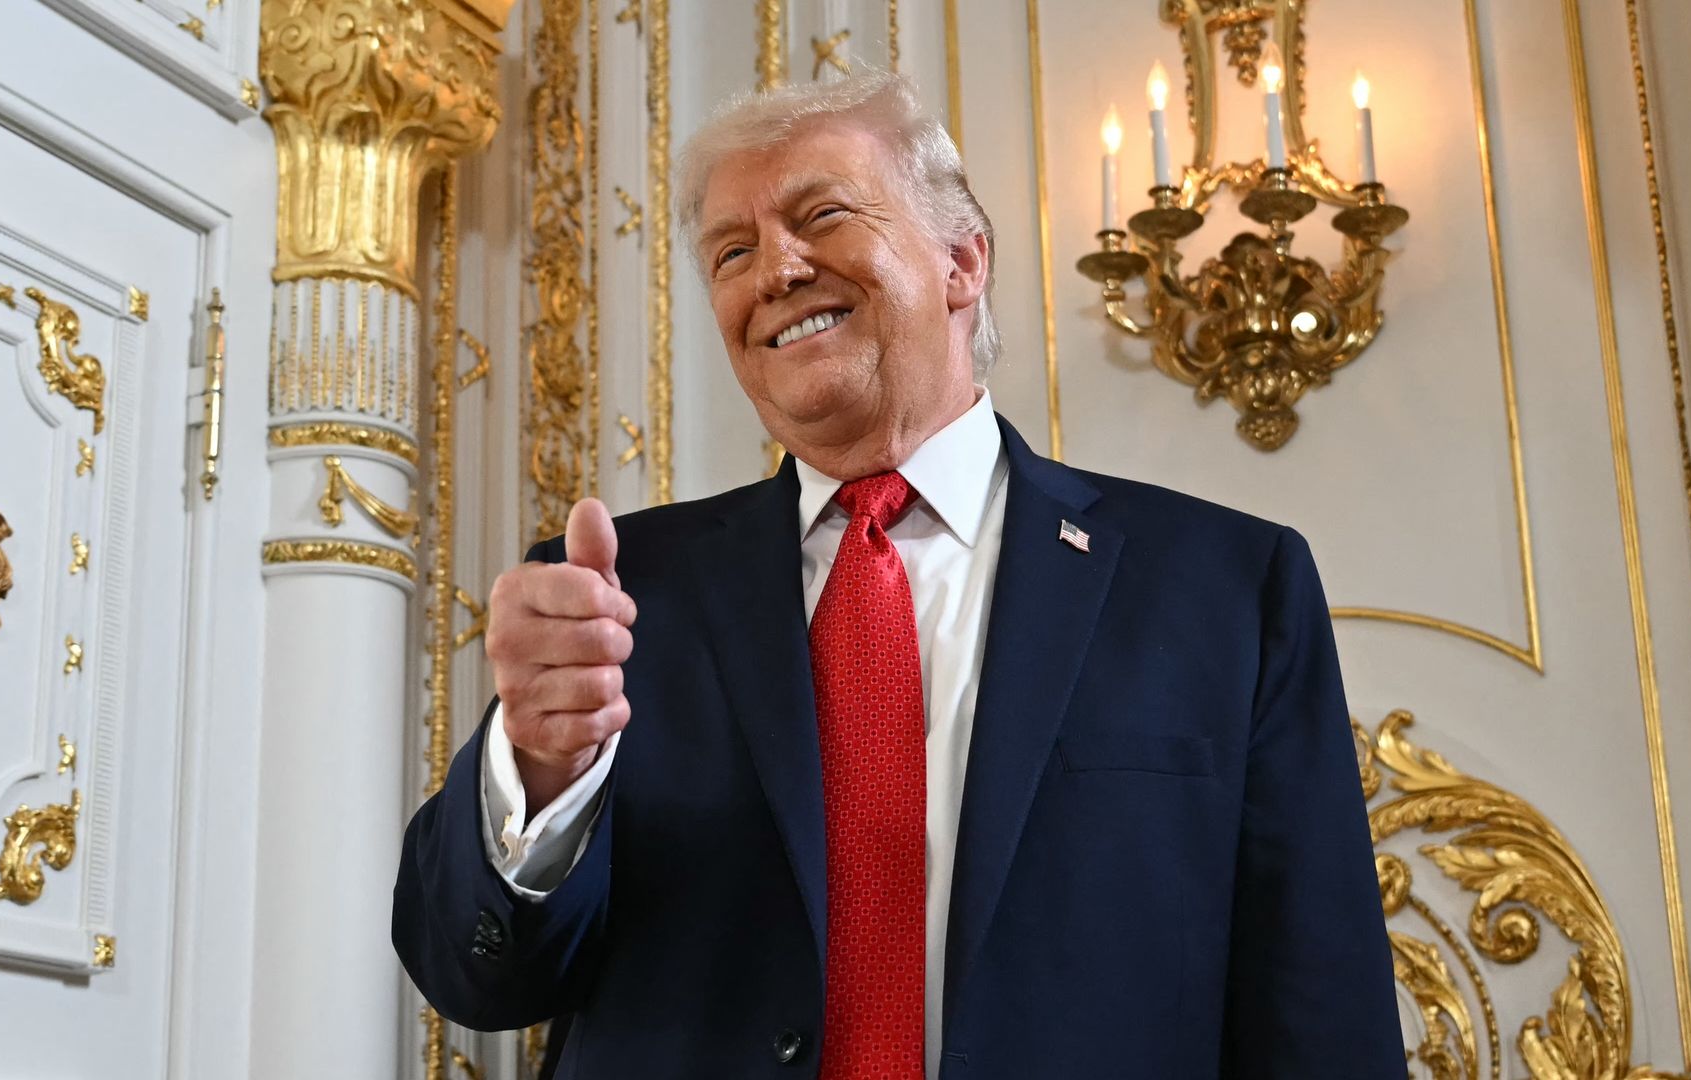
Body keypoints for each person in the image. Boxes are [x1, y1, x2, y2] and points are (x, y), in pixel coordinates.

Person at [392, 70, 1401, 1078]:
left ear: (963, 260)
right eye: (731, 253)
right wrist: (538, 772)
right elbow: (475, 977)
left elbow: (1318, 1005)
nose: (774, 272)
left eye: (820, 215)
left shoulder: (1226, 589)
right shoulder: (610, 603)